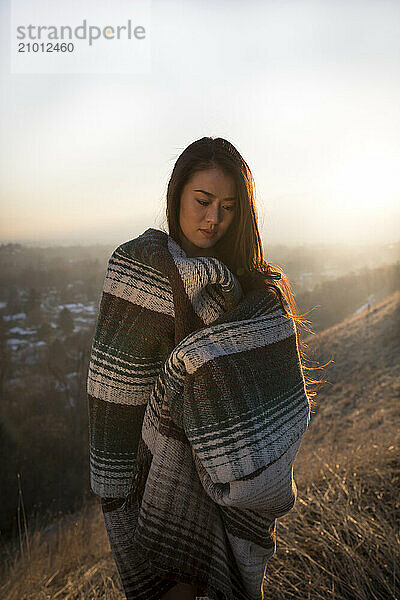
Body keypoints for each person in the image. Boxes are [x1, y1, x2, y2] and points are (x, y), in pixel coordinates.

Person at [87, 137, 316, 600]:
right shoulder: (136, 268)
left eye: (228, 207)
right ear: (177, 196)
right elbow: (110, 388)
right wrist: (114, 484)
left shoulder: (252, 284)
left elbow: (271, 369)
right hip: (151, 467)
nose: (213, 219)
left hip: (222, 469)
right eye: (203, 202)